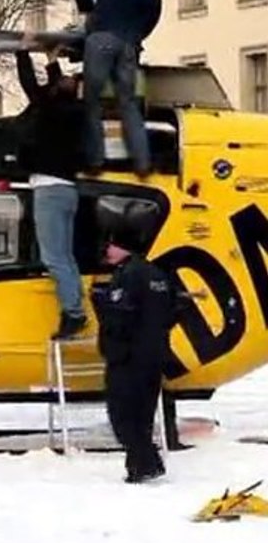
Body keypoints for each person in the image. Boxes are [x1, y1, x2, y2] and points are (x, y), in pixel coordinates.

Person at [90, 201, 176, 484]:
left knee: (123, 416)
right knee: (142, 414)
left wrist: (100, 303)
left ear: (124, 247)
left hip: (129, 357)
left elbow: (120, 316)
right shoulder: (157, 273)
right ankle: (141, 465)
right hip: (153, 355)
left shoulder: (128, 276)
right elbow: (172, 311)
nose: (108, 251)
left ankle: (145, 462)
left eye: (112, 245)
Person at [16, 40, 88, 340]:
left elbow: (30, 85)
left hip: (50, 190)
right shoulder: (75, 112)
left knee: (54, 257)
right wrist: (51, 59)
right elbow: (53, 87)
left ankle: (74, 313)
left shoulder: (51, 111)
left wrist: (21, 51)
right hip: (67, 190)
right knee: (65, 256)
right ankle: (75, 306)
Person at [70, 0, 162, 177]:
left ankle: (95, 161)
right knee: (128, 103)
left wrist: (88, 11)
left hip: (100, 39)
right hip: (128, 45)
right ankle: (142, 163)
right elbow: (152, 19)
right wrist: (135, 37)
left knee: (92, 101)